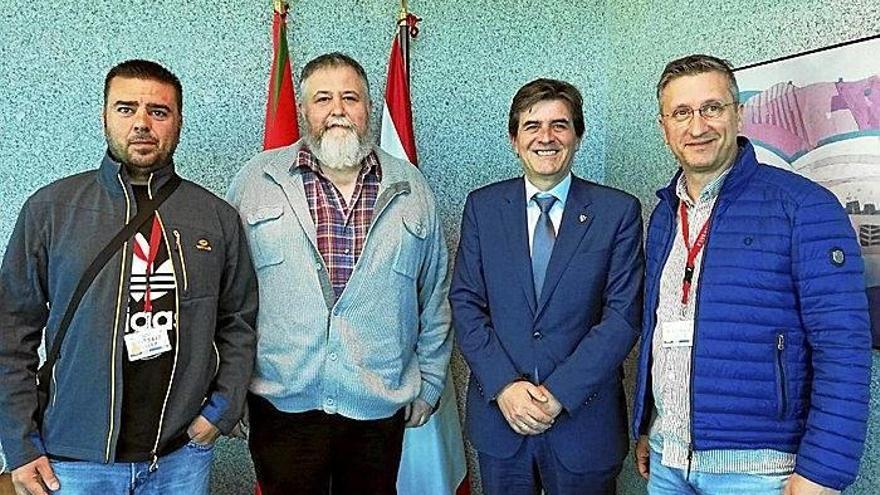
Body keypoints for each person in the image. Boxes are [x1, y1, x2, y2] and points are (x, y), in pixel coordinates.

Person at [0, 59, 258, 495]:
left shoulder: (215, 218)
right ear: (105, 116)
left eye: (158, 111)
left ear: (178, 121)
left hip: (179, 457)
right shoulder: (51, 209)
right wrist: (21, 445)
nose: (142, 123)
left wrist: (220, 412)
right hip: (73, 459)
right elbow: (10, 331)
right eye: (126, 109)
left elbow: (239, 322)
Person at [631, 54, 872, 495]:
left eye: (712, 108)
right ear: (664, 127)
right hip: (668, 462)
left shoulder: (804, 207)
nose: (697, 126)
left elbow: (844, 349)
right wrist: (649, 424)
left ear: (738, 114)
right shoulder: (664, 213)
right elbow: (660, 328)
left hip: (760, 471)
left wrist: (822, 473)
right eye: (681, 113)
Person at [227, 52, 452, 495]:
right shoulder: (255, 181)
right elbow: (226, 292)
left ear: (368, 107)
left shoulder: (411, 187)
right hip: (280, 406)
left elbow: (435, 294)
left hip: (377, 407)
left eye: (350, 98)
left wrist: (430, 383)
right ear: (303, 109)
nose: (338, 110)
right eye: (323, 98)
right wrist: (229, 387)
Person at [449, 78, 644, 495]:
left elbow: (623, 317)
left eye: (560, 124)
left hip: (584, 424)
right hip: (502, 420)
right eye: (532, 125)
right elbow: (465, 303)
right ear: (514, 140)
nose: (546, 137)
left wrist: (558, 393)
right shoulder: (483, 208)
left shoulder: (617, 211)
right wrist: (504, 386)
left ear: (578, 136)